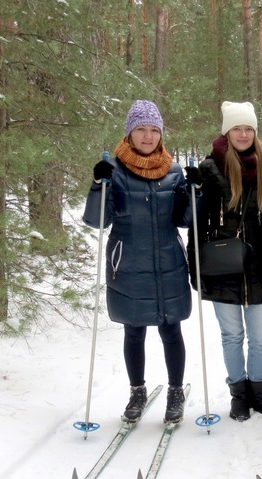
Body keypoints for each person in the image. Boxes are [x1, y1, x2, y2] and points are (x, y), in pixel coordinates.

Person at [83, 99, 196, 424]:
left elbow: (185, 220)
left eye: (153, 130)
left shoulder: (173, 170)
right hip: (128, 264)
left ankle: (176, 391)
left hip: (168, 262)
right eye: (141, 130)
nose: (147, 136)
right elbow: (96, 220)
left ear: (160, 134)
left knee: (170, 329)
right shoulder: (114, 171)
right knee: (134, 331)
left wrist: (194, 191)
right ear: (130, 133)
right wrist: (97, 186)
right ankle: (137, 390)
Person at [187, 101, 262, 422]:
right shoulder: (209, 169)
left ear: (255, 132)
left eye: (248, 128)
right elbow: (196, 226)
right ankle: (238, 395)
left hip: (258, 267)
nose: (243, 134)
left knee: (261, 337)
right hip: (221, 266)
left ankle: (258, 394)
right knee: (232, 336)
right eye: (237, 128)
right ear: (227, 132)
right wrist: (195, 268)